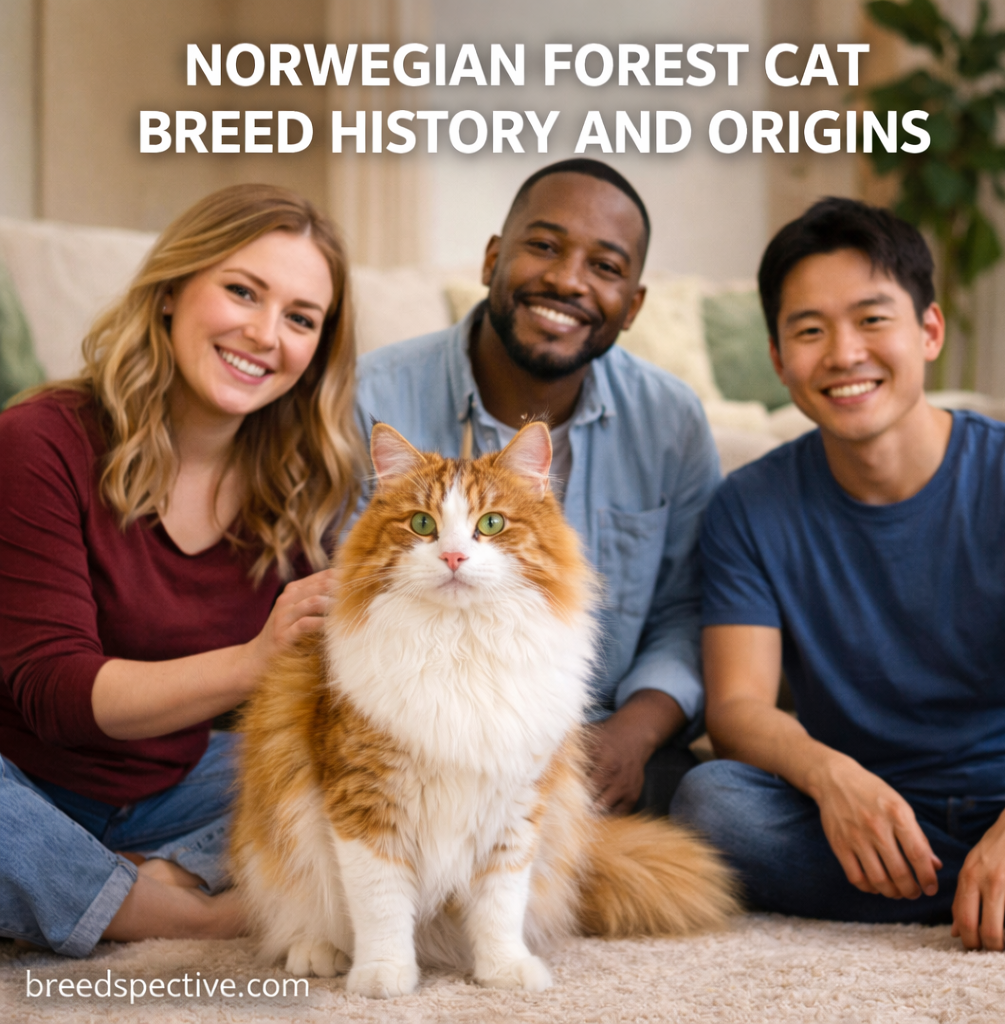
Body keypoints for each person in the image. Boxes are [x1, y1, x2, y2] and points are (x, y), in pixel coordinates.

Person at [0, 184, 365, 956]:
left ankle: (104, 883)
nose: (265, 335)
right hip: (23, 778)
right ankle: (188, 911)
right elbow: (57, 696)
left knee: (345, 763)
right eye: (243, 292)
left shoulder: (300, 488)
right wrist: (255, 660)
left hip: (177, 786)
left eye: (301, 319)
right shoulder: (37, 441)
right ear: (171, 290)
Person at [674, 197, 1005, 951]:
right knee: (711, 803)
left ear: (929, 332)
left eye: (872, 319)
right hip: (865, 813)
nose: (843, 354)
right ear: (778, 360)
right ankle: (974, 895)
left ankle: (980, 881)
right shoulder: (748, 505)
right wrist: (831, 777)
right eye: (809, 330)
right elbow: (736, 707)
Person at [356, 159, 720, 816]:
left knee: (712, 807)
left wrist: (633, 735)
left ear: (633, 306)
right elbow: (346, 590)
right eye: (545, 246)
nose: (567, 280)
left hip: (601, 733)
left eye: (604, 266)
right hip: (416, 734)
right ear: (492, 259)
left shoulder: (672, 420)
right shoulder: (373, 395)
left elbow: (688, 609)